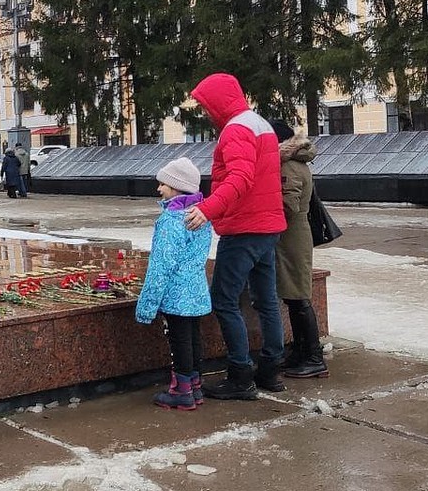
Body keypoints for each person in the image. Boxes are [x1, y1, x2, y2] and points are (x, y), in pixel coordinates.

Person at [184, 73, 287, 399]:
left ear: (217, 101)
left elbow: (240, 177)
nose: (204, 112)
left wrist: (208, 209)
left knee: (225, 301)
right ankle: (271, 370)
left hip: (244, 229)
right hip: (269, 227)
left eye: (205, 105)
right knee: (266, 301)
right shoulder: (261, 124)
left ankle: (241, 376)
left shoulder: (236, 130)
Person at [135, 157, 213, 410]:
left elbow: (161, 265)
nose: (159, 189)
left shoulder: (171, 220)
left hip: (176, 293)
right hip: (196, 289)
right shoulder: (200, 215)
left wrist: (146, 306)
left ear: (177, 187)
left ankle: (181, 392)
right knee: (192, 338)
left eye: (163, 184)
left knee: (179, 340)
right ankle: (194, 387)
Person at [272, 120, 329, 379]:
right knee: (294, 297)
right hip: (291, 236)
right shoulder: (295, 163)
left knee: (299, 297)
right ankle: (300, 352)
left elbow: (288, 205)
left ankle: (314, 357)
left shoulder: (289, 165)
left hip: (292, 237)